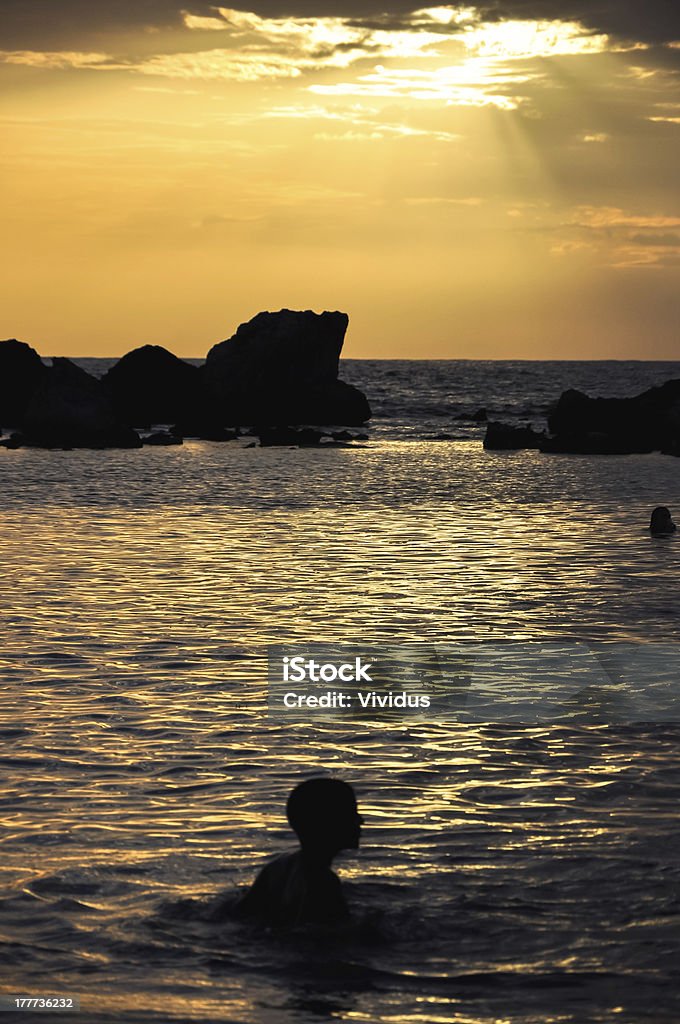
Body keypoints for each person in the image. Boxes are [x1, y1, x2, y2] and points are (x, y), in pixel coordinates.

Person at [235, 777, 362, 926]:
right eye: (351, 813)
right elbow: (323, 939)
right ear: (329, 822)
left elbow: (239, 913)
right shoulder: (323, 882)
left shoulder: (278, 867)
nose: (361, 820)